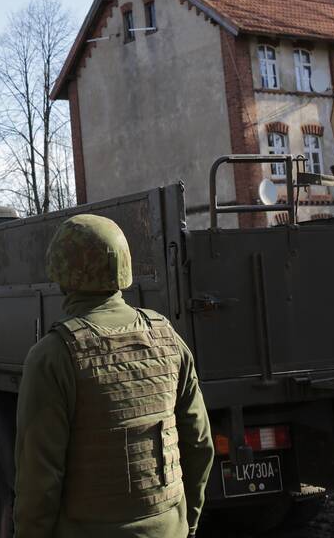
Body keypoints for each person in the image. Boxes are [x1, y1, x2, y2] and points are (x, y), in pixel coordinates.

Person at [13, 215, 214, 537]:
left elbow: (39, 478)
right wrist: (187, 522)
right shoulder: (167, 337)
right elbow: (200, 443)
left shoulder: (53, 356)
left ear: (63, 274)